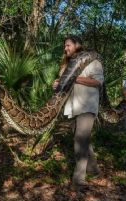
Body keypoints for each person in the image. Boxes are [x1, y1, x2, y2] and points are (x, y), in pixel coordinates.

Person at [53, 35, 104, 189]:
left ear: (77, 45)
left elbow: (98, 82)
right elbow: (63, 84)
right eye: (64, 45)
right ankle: (94, 169)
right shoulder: (66, 66)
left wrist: (75, 78)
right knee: (83, 140)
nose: (65, 48)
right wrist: (57, 84)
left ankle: (78, 180)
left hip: (87, 106)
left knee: (79, 140)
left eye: (68, 45)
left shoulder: (93, 62)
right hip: (72, 107)